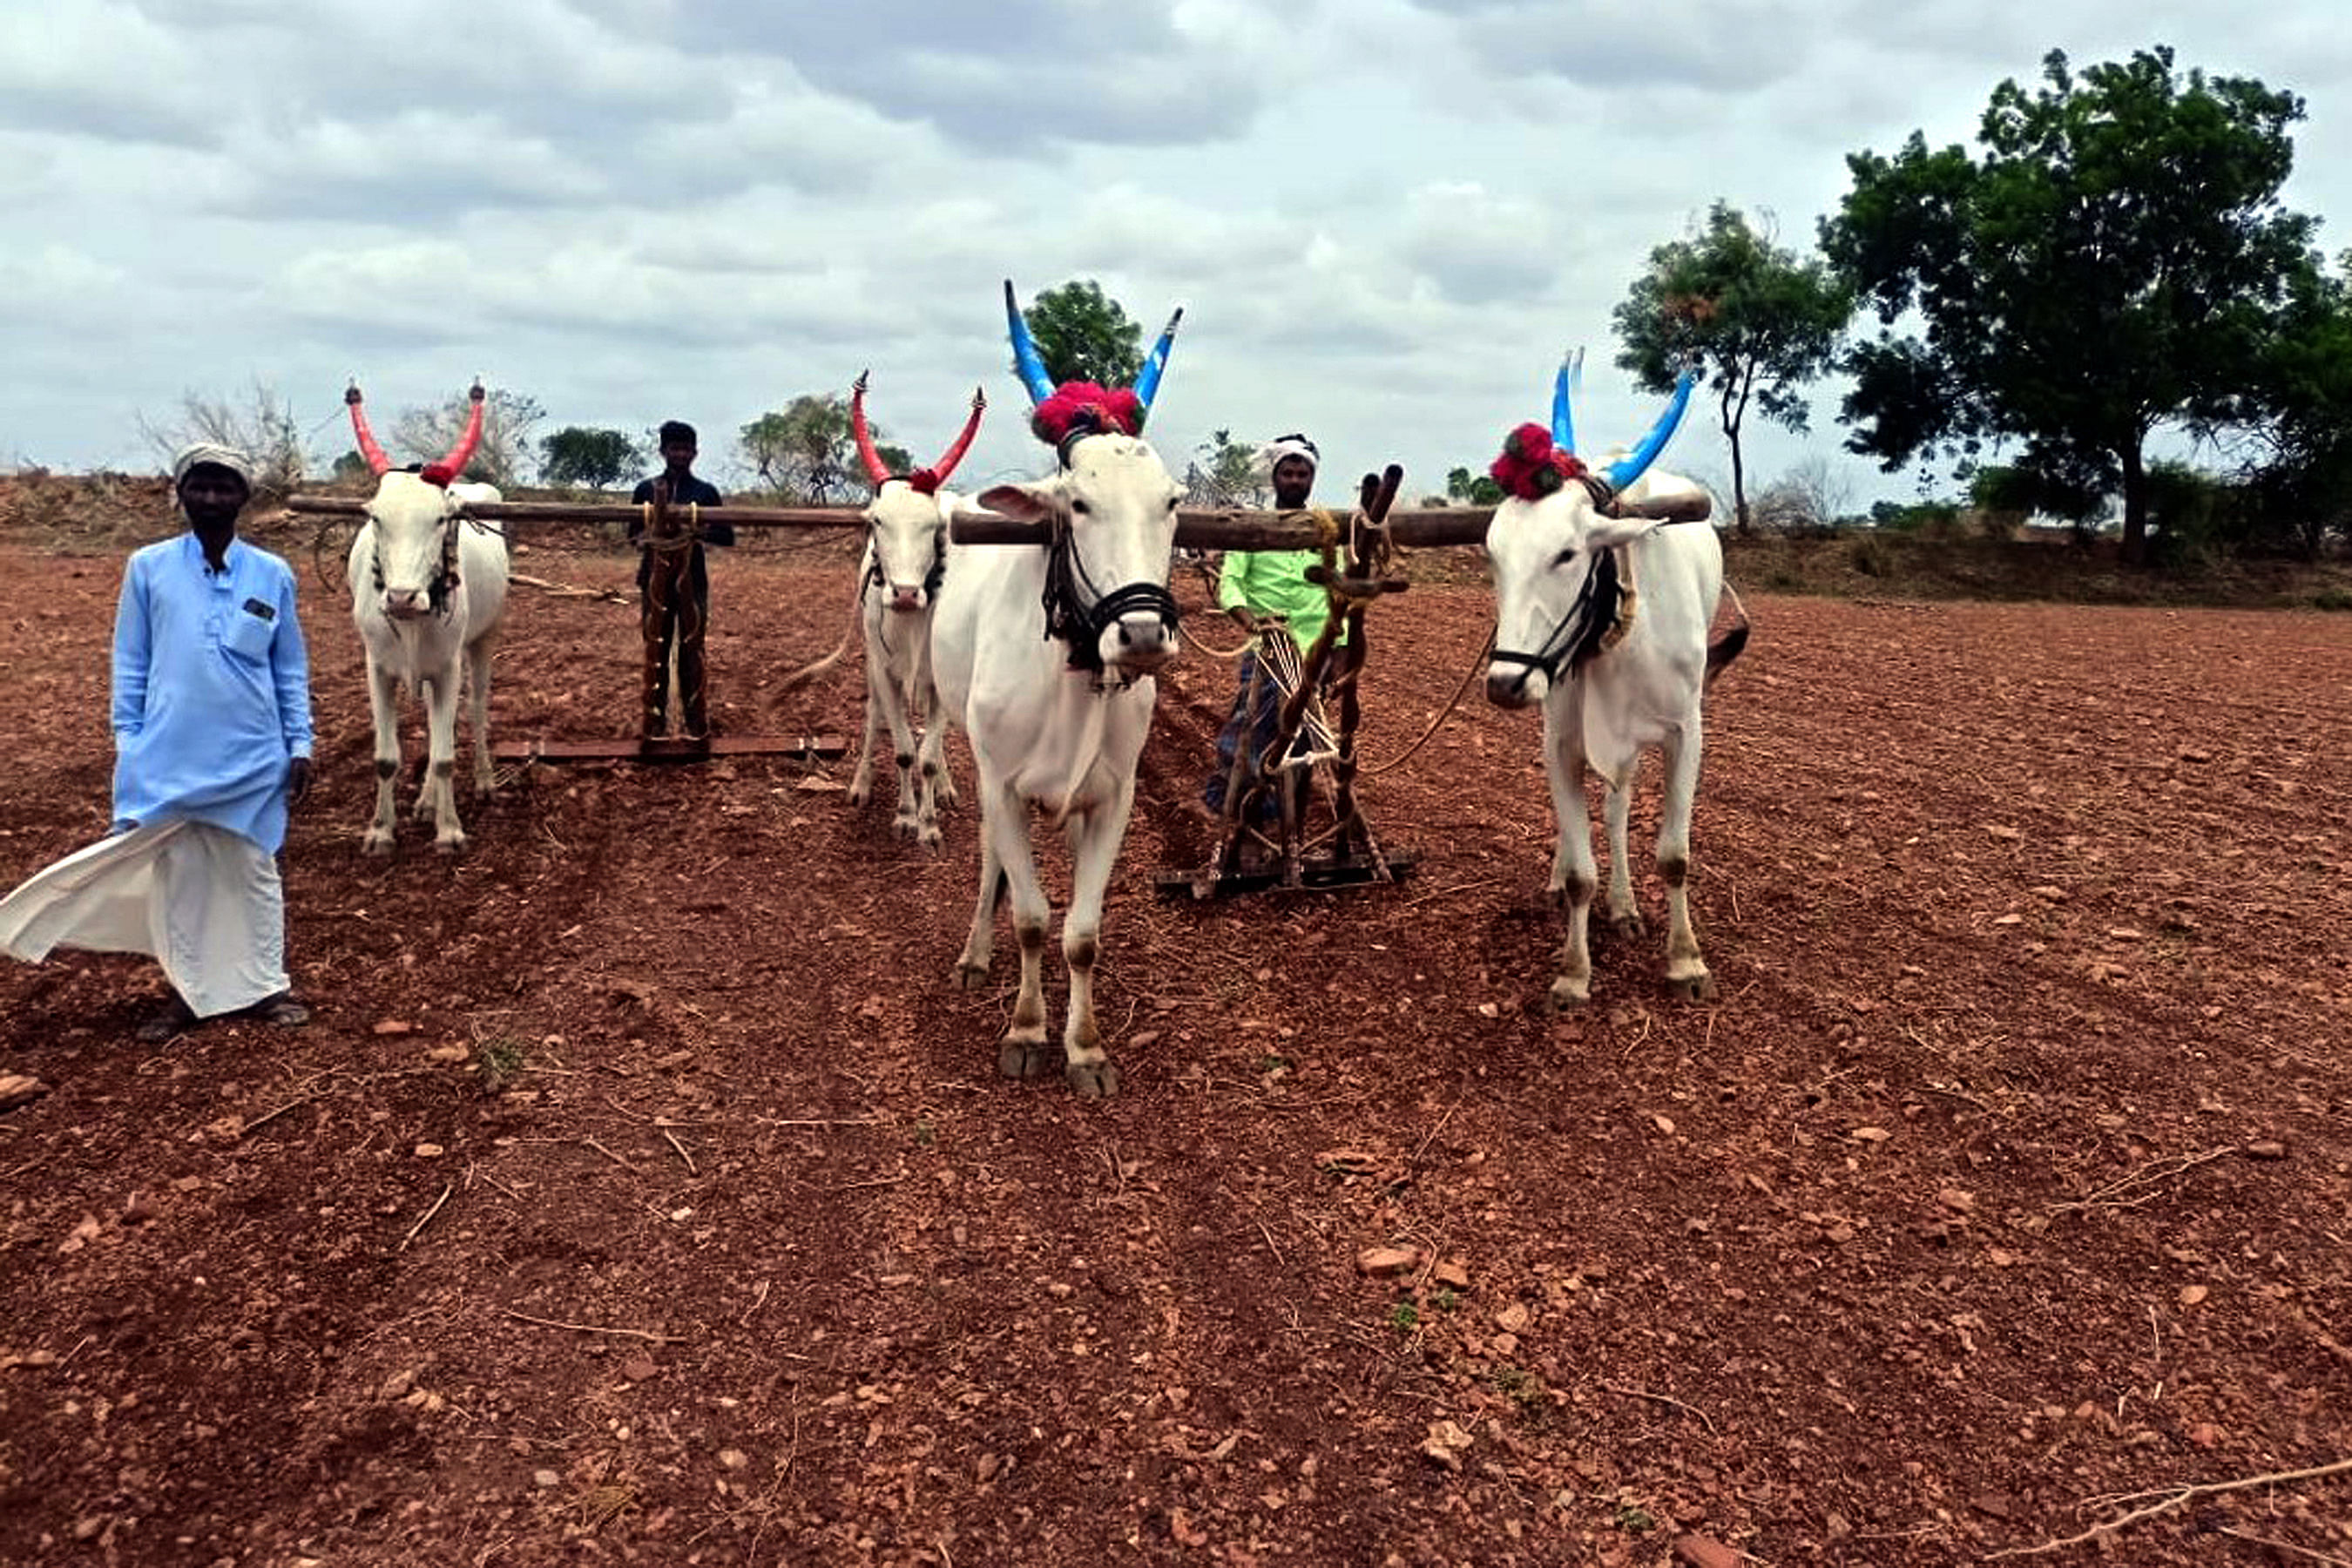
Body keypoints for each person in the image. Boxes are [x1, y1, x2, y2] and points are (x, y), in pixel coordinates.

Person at [0, 443, 314, 1043]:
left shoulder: (272, 574)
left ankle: (267, 986)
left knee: (251, 869)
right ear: (182, 494)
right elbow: (131, 659)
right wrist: (130, 740)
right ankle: (188, 991)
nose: (213, 499)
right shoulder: (148, 567)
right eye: (201, 486)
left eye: (225, 488)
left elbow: (289, 669)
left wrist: (301, 744)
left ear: (244, 498)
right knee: (181, 873)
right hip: (170, 752)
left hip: (252, 753)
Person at [1204, 434, 1341, 821]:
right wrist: (1252, 624)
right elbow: (1231, 582)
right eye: (1288, 473)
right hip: (1269, 649)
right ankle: (1245, 813)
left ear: (1311, 479)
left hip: (1316, 652)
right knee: (1253, 729)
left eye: (1302, 474)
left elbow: (1339, 592)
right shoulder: (1252, 529)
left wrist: (1341, 652)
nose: (1295, 480)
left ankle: (1286, 814)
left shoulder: (1329, 531)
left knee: (1306, 736)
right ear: (1275, 478)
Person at [629, 421, 733, 736]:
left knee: (692, 650)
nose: (681, 454)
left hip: (693, 582)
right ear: (663, 451)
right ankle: (654, 723)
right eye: (675, 448)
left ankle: (695, 723)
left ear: (695, 453)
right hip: (652, 581)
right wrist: (654, 535)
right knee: (655, 649)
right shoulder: (646, 490)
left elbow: (727, 537)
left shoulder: (705, 492)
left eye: (686, 449)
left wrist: (697, 532)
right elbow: (633, 535)